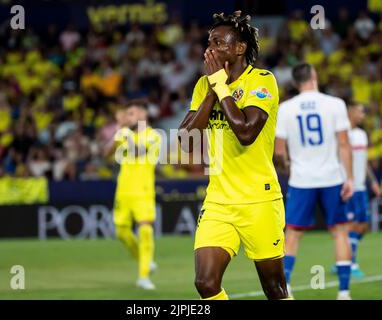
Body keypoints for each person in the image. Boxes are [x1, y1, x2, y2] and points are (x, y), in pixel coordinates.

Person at [178, 11, 290, 300]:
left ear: (239, 48)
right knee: (205, 283)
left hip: (260, 199)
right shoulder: (205, 85)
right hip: (219, 201)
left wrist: (221, 86)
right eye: (209, 42)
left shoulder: (263, 81)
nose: (209, 49)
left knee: (275, 289)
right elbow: (186, 141)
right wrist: (213, 90)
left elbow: (246, 132)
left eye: (218, 43)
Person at [275, 62, 354, 300]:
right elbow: (343, 144)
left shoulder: (285, 108)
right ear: (314, 76)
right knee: (340, 232)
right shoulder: (335, 104)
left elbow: (279, 151)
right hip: (331, 176)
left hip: (301, 179)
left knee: (292, 234)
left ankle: (286, 288)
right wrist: (349, 177)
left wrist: (289, 166)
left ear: (296, 82)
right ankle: (343, 292)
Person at [103, 102, 161, 290]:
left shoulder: (154, 135)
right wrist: (118, 133)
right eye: (127, 114)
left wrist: (123, 131)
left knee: (145, 231)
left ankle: (143, 276)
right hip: (123, 191)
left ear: (143, 114)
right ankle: (145, 260)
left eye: (132, 113)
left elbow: (138, 151)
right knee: (121, 232)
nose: (128, 117)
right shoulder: (124, 133)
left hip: (143, 192)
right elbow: (106, 153)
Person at [333, 102, 381, 277]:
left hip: (361, 186)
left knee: (364, 225)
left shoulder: (361, 135)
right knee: (351, 225)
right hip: (349, 186)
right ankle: (350, 263)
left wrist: (373, 181)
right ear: (351, 112)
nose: (363, 115)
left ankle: (342, 259)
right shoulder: (342, 134)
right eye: (360, 111)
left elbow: (364, 161)